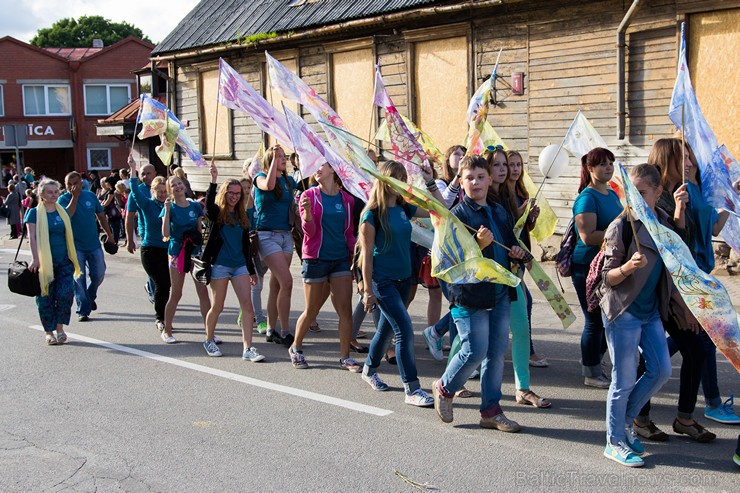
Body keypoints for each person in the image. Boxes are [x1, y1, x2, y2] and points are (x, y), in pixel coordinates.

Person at [600, 163, 694, 467]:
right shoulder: (621, 226)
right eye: (632, 193)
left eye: (642, 193)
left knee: (661, 370)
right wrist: (628, 267)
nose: (636, 199)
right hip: (623, 312)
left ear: (657, 192)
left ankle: (625, 422)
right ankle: (613, 441)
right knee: (623, 379)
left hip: (651, 312)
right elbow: (607, 278)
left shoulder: (663, 224)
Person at [632, 138, 720, 441]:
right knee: (655, 358)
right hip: (660, 293)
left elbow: (684, 242)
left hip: (683, 287)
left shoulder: (677, 196)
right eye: (682, 156)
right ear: (665, 159)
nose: (689, 161)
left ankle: (684, 417)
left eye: (690, 156)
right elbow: (667, 254)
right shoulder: (658, 201)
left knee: (696, 351)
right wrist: (679, 304)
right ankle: (640, 418)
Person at [432, 155, 528, 429]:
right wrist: (477, 243)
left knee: (496, 353)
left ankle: (490, 411)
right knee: (474, 351)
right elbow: (451, 259)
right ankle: (444, 387)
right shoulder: (457, 217)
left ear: (489, 179)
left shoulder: (499, 212)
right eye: (469, 178)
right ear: (460, 182)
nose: (476, 182)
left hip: (498, 293)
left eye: (481, 177)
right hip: (469, 295)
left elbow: (511, 244)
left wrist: (518, 253)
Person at [358, 160, 441, 407]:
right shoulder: (370, 215)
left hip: (405, 279)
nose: (401, 183)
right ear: (384, 181)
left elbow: (435, 210)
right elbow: (366, 255)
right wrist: (367, 290)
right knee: (403, 330)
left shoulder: (404, 208)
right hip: (382, 282)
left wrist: (429, 180)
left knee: (385, 329)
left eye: (403, 178)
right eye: (395, 178)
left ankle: (369, 369)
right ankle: (412, 389)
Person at [486, 147, 550, 408]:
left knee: (521, 330)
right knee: (475, 337)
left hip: (514, 273)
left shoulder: (510, 196)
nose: (504, 169)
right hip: (489, 277)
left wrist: (527, 219)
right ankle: (448, 382)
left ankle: (523, 389)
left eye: (507, 164)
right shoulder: (486, 200)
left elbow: (514, 232)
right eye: (498, 165)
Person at [288, 162, 361, 371]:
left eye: (323, 165)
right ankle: (296, 347)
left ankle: (345, 357)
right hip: (315, 259)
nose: (318, 168)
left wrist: (356, 253)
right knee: (312, 310)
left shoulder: (346, 200)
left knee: (345, 310)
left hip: (339, 259)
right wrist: (308, 215)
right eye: (317, 166)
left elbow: (348, 233)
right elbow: (308, 232)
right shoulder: (308, 196)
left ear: (333, 170)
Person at [200, 162, 264, 361]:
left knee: (248, 307)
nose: (234, 196)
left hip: (239, 266)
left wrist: (251, 270)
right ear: (224, 193)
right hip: (219, 265)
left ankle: (248, 348)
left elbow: (246, 247)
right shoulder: (218, 214)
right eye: (231, 192)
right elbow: (209, 206)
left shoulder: (242, 216)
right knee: (217, 306)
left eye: (237, 193)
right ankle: (209, 339)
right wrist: (213, 181)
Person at [571, 148, 623, 388]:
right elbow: (588, 236)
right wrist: (620, 235)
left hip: (608, 265)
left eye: (610, 162)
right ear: (590, 168)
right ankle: (591, 373)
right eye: (602, 164)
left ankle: (593, 360)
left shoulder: (611, 193)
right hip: (587, 266)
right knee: (593, 320)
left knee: (608, 317)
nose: (608, 167)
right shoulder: (587, 198)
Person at [25, 178, 81, 345]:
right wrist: (35, 259)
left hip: (64, 260)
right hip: (44, 262)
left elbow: (67, 234)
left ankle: (60, 328)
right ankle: (49, 332)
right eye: (49, 192)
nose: (53, 195)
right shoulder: (34, 213)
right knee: (45, 297)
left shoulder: (61, 211)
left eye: (56, 192)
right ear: (41, 194)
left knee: (65, 295)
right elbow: (32, 237)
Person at [506, 150, 547, 368]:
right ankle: (526, 351)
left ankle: (524, 350)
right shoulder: (502, 193)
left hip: (521, 252)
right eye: (510, 164)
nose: (514, 169)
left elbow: (523, 227)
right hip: (507, 254)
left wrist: (532, 217)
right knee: (521, 302)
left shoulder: (521, 191)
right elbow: (507, 221)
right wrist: (523, 210)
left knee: (522, 302)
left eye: (517, 165)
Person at [160, 174, 212, 344]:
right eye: (173, 185)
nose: (177, 187)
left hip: (195, 253)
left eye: (179, 183)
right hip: (177, 253)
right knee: (176, 292)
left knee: (203, 291)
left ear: (184, 185)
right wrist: (167, 211)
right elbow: (165, 234)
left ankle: (209, 332)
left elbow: (198, 230)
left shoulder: (195, 206)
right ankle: (167, 330)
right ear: (170, 190)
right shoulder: (170, 208)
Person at [58, 171, 116, 321]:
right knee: (79, 278)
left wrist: (109, 235)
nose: (72, 187)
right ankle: (83, 310)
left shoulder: (90, 196)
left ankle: (90, 296)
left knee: (99, 274)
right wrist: (75, 198)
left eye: (74, 184)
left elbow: (101, 216)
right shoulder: (63, 199)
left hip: (93, 244)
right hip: (75, 246)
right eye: (68, 184)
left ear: (81, 183)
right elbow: (66, 216)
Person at [254, 144, 297, 346]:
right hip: (267, 235)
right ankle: (286, 330)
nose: (282, 159)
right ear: (269, 160)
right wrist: (271, 163)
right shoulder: (260, 177)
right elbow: (268, 187)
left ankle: (271, 329)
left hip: (285, 235)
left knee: (277, 284)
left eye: (283, 157)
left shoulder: (289, 181)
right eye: (278, 157)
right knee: (287, 282)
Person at [127, 156, 171, 333]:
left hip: (169, 252)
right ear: (152, 191)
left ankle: (166, 315)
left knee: (169, 286)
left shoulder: (171, 205)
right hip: (150, 251)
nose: (162, 193)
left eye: (164, 190)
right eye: (158, 190)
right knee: (162, 283)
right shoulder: (147, 204)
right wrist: (132, 169)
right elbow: (134, 191)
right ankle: (160, 318)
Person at [237, 177, 268, 334]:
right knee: (257, 286)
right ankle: (260, 320)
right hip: (248, 252)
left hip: (262, 249)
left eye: (249, 187)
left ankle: (245, 308)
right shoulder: (241, 210)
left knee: (256, 286)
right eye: (243, 188)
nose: (247, 190)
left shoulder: (258, 207)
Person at [126, 163, 157, 303]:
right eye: (142, 174)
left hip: (164, 234)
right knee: (153, 268)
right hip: (146, 234)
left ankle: (157, 292)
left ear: (155, 173)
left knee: (164, 269)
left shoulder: (163, 188)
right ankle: (155, 296)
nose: (145, 177)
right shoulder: (137, 192)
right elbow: (129, 216)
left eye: (148, 173)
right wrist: (130, 239)